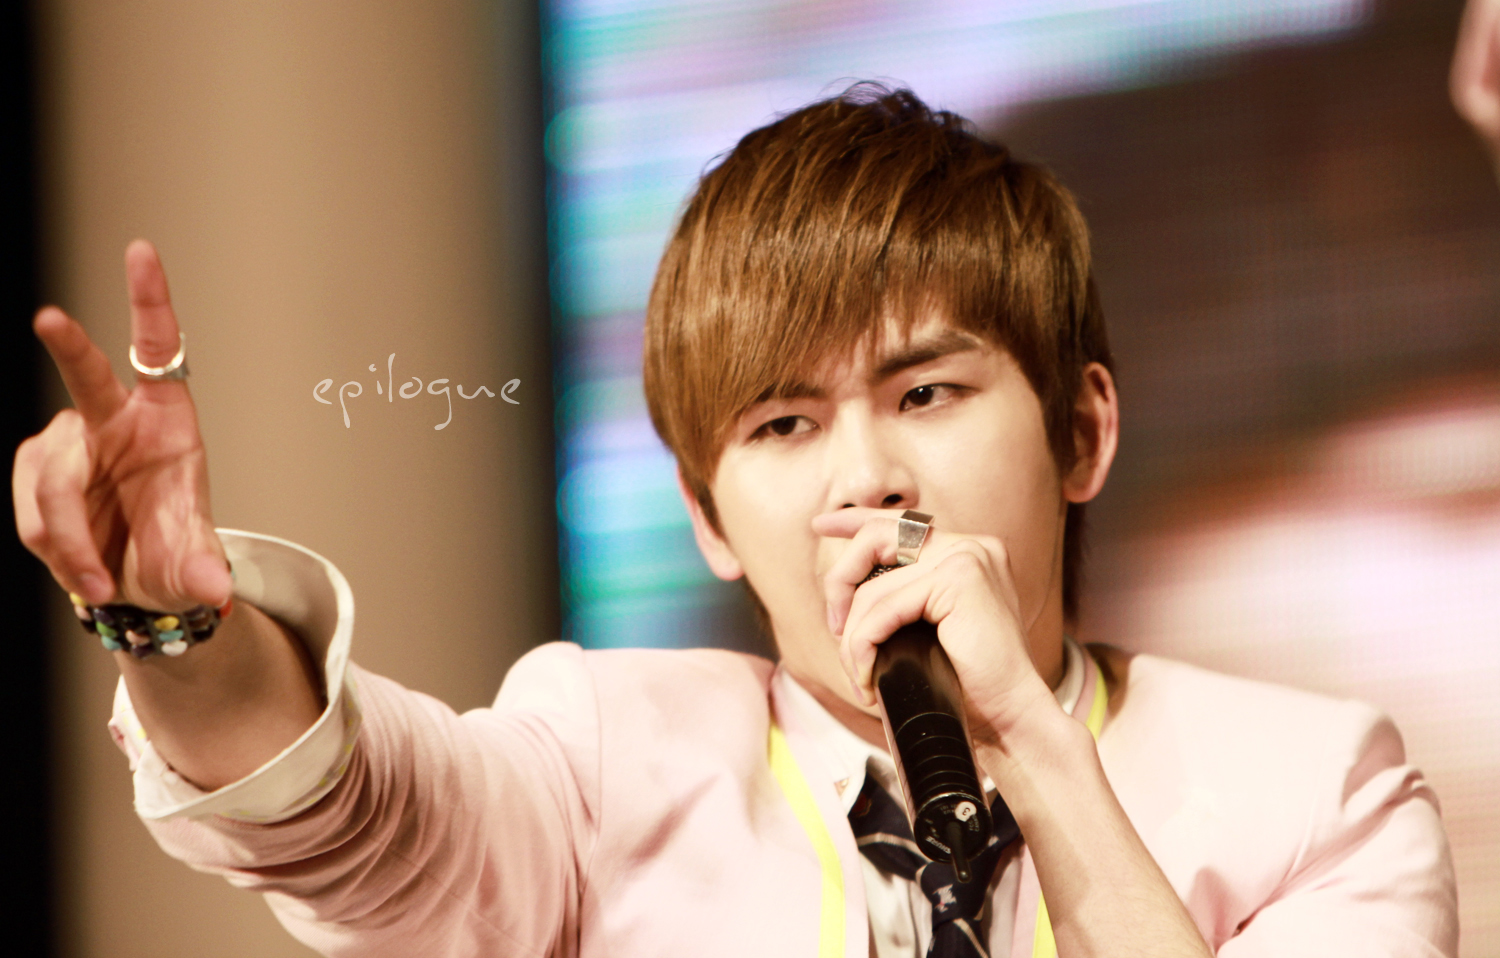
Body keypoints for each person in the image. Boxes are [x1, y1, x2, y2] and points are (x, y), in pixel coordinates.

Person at [16, 4, 1498, 954]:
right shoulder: (602, 760)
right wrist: (178, 625)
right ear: (706, 518)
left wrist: (1034, 748)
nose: (868, 478)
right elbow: (342, 814)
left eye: (926, 393)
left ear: (1083, 434)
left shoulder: (1320, 789)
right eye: (784, 426)